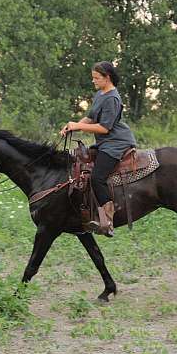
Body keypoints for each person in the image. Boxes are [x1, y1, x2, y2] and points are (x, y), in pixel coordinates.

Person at [59, 61, 137, 236]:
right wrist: (73, 125)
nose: (93, 81)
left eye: (96, 78)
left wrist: (78, 126)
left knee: (97, 177)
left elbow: (104, 128)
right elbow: (91, 117)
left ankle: (107, 221)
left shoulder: (112, 98)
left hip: (116, 142)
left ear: (107, 78)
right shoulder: (101, 94)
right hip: (105, 142)